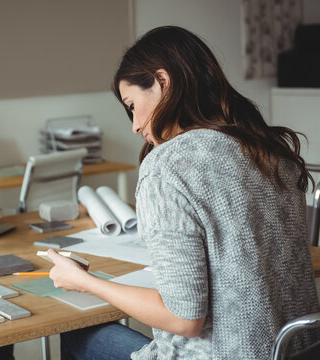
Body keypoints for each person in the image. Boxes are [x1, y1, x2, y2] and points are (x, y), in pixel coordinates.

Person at [47, 26, 320, 360]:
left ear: (163, 82)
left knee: (80, 337)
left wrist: (84, 283)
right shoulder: (268, 150)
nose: (134, 126)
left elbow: (184, 318)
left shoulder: (168, 166)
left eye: (132, 105)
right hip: (295, 351)